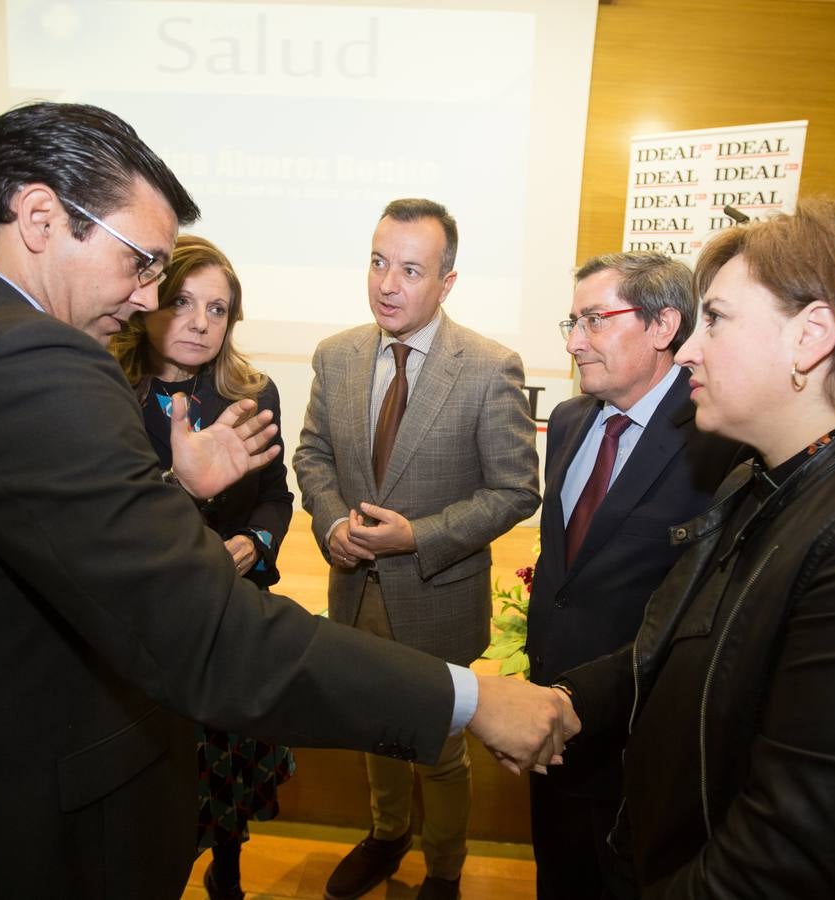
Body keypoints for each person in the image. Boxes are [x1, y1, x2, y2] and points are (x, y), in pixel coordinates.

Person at [0, 102, 571, 900]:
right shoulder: (30, 361)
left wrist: (179, 491)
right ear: (40, 217)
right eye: (141, 261)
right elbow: (206, 634)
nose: (151, 298)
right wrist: (472, 695)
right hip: (28, 841)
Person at [552, 197, 835, 897]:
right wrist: (559, 700)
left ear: (813, 336)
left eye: (716, 319)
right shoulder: (767, 480)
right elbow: (678, 648)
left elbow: (797, 862)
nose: (690, 349)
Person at [293, 198, 540, 900]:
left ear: (447, 281)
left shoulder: (490, 369)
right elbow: (312, 456)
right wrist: (332, 521)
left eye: (409, 269)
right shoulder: (336, 356)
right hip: (355, 590)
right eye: (377, 262)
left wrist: (417, 537)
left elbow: (516, 492)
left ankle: (444, 870)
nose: (386, 284)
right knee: (374, 729)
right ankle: (386, 833)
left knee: (439, 748)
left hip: (437, 600)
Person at [526, 252, 744, 900]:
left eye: (595, 319)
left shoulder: (721, 437)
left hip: (644, 743)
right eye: (573, 320)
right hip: (553, 722)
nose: (573, 341)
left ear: (662, 325)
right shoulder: (567, 421)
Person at [110, 234, 297, 900]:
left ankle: (230, 869)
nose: (200, 322)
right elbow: (108, 518)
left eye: (218, 310)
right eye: (183, 301)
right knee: (161, 779)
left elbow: (277, 494)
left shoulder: (251, 391)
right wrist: (180, 483)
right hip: (143, 629)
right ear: (147, 300)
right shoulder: (104, 392)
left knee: (229, 766)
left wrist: (255, 543)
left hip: (227, 615)